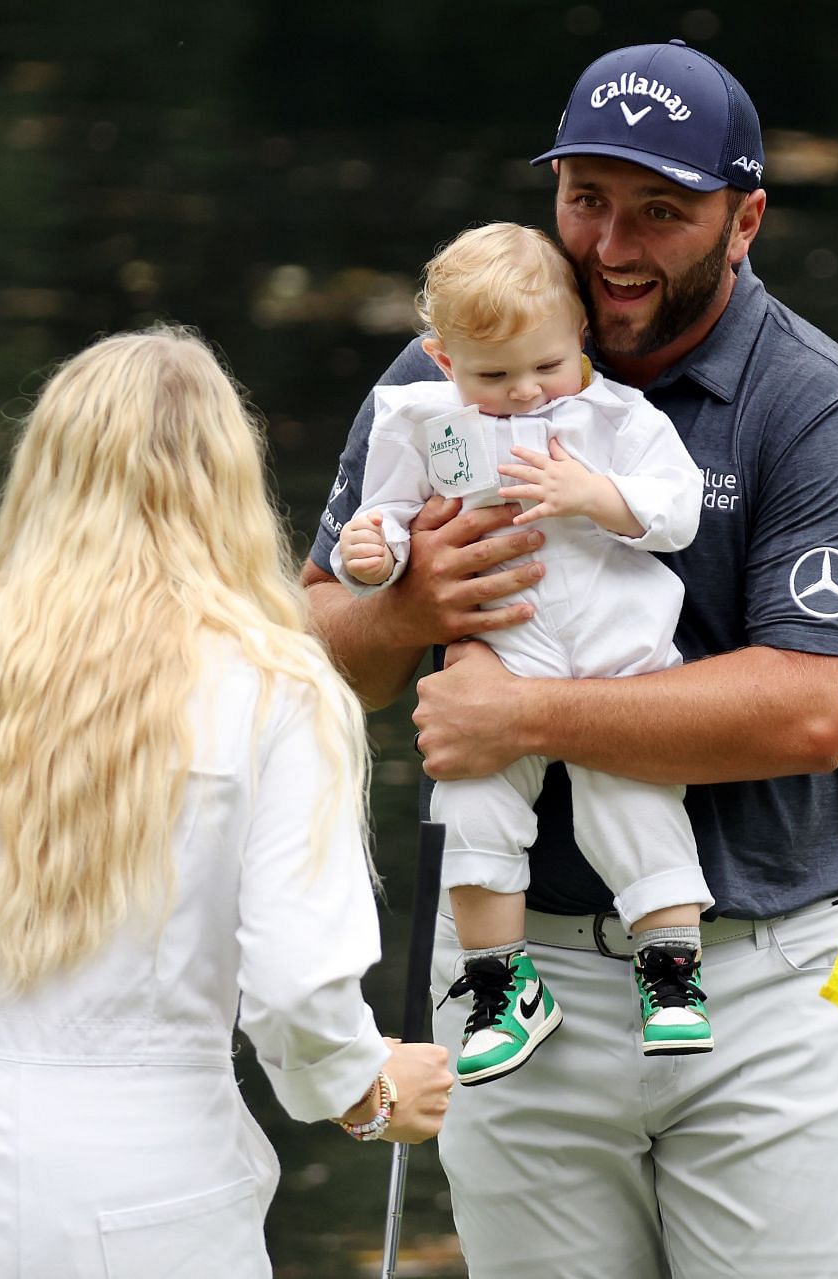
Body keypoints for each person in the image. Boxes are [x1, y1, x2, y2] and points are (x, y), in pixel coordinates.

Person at [304, 40, 838, 1279]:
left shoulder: (818, 405)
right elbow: (311, 655)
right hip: (516, 990)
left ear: (745, 221)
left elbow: (811, 711)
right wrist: (405, 601)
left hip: (763, 984)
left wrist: (521, 715)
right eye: (587, 200)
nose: (612, 247)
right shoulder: (441, 376)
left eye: (660, 213)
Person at [0, 327, 453, 1279]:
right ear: (228, 486)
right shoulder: (275, 685)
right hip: (155, 1185)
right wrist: (364, 1087)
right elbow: (296, 985)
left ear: (41, 470)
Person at [332, 221, 714, 1085]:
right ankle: (503, 986)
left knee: (635, 805)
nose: (525, 393)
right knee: (469, 811)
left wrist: (598, 495)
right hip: (499, 662)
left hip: (618, 666)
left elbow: (678, 510)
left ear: (580, 333)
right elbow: (386, 515)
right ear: (442, 360)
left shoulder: (617, 417)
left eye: (545, 366)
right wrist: (375, 556)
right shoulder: (425, 424)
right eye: (492, 376)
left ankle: (673, 973)